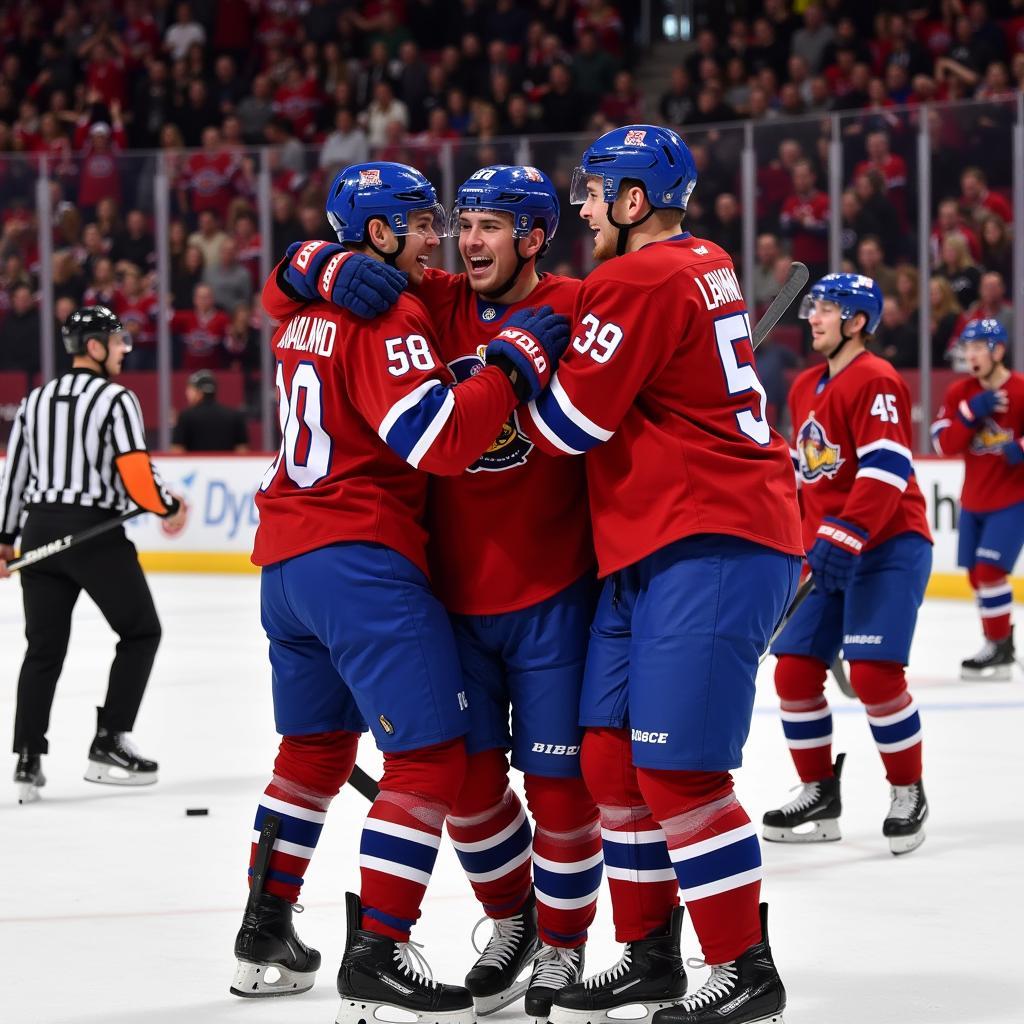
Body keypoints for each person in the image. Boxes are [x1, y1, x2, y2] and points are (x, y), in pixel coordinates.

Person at [230, 162, 569, 1024]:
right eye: (421, 222)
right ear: (378, 233)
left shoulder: (313, 305)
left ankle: (264, 930)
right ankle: (381, 947)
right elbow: (439, 438)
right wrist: (513, 363)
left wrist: (310, 264)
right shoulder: (387, 309)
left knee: (311, 756)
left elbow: (280, 292)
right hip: (363, 558)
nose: (440, 237)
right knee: (430, 758)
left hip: (288, 563)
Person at [515, 125, 804, 1024]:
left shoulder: (634, 277)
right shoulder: (697, 260)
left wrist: (523, 352)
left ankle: (744, 967)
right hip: (654, 540)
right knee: (609, 756)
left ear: (636, 202)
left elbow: (564, 429)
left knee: (682, 774)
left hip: (711, 537)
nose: (584, 206)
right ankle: (650, 956)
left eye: (597, 192)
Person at [764, 274, 933, 858]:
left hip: (888, 544)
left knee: (874, 675)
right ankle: (819, 792)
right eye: (812, 307)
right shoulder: (807, 383)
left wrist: (845, 533)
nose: (813, 317)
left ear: (857, 321)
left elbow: (885, 467)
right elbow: (806, 470)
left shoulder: (877, 379)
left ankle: (908, 790)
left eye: (826, 309)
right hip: (831, 548)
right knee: (792, 671)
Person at [0, 306, 187, 803]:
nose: (124, 348)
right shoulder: (116, 398)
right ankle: (109, 742)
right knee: (141, 631)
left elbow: (15, 473)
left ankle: (26, 758)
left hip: (40, 534)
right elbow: (136, 474)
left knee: (43, 649)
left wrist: (3, 539)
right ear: (95, 346)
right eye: (117, 340)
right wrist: (168, 506)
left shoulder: (35, 399)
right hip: (93, 536)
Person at [931, 318, 1024, 679]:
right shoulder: (961, 394)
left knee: (990, 571)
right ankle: (998, 644)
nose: (970, 355)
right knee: (975, 576)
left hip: (1013, 499)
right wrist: (972, 413)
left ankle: (998, 647)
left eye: (977, 348)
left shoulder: (1020, 390)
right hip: (973, 500)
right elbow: (945, 444)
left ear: (998, 351)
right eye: (966, 348)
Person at [170, 369, 249, 452]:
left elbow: (177, 452)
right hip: (225, 465)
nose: (186, 393)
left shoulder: (185, 417)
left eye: (190, 389)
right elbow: (242, 452)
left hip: (195, 465)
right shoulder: (235, 416)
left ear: (199, 392)